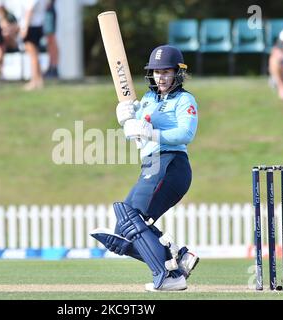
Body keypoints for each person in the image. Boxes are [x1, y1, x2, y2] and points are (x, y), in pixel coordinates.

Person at [90, 45, 200, 291]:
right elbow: (138, 133)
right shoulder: (149, 100)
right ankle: (176, 260)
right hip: (151, 164)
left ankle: (168, 276)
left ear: (177, 73)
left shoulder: (184, 99)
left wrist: (151, 132)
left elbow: (186, 133)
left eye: (166, 71)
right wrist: (126, 119)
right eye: (156, 72)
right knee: (123, 234)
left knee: (130, 217)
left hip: (171, 163)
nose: (161, 77)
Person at [20, 0, 47, 91]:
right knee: (35, 54)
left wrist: (25, 27)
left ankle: (34, 81)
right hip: (37, 25)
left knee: (33, 55)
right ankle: (39, 79)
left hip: (32, 26)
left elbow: (29, 10)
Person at [43, 0, 59, 78]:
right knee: (49, 41)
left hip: (48, 11)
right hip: (44, 11)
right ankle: (50, 67)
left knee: (51, 40)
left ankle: (54, 67)